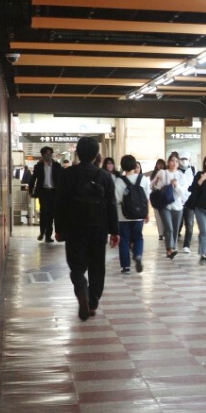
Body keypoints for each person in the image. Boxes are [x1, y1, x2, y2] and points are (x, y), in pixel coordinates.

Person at [54, 136, 119, 320]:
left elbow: (60, 204)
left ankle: (81, 288)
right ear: (96, 155)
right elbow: (112, 205)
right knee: (97, 267)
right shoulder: (105, 176)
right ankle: (93, 302)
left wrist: (58, 228)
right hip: (99, 228)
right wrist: (115, 231)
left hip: (74, 228)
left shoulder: (68, 174)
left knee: (76, 266)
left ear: (77, 153)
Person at [113, 155, 149, 274]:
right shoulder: (143, 179)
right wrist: (146, 213)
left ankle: (125, 267)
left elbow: (117, 199)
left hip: (123, 216)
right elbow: (146, 197)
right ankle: (138, 255)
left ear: (122, 167)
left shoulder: (119, 181)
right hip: (139, 215)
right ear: (135, 166)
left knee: (123, 240)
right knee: (138, 237)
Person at [152, 153, 191, 259]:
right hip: (165, 205)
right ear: (168, 162)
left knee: (175, 228)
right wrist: (158, 183)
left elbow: (183, 192)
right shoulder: (162, 172)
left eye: (176, 161)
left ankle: (172, 248)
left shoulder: (181, 176)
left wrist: (176, 185)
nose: (174, 163)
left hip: (178, 205)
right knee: (168, 227)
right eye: (172, 161)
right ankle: (170, 248)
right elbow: (154, 186)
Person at [26, 146, 64, 243]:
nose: (49, 156)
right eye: (47, 154)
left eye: (50, 154)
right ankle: (42, 232)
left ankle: (48, 235)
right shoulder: (38, 166)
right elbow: (33, 179)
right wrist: (30, 191)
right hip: (43, 193)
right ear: (43, 155)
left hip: (54, 193)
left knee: (51, 214)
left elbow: (61, 180)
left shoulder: (57, 166)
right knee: (44, 214)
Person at [176, 154, 198, 254]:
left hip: (190, 201)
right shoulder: (175, 170)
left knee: (189, 224)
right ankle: (173, 244)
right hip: (178, 201)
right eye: (182, 159)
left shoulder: (193, 170)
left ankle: (186, 245)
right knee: (177, 224)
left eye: (186, 159)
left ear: (189, 160)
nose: (184, 161)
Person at [148, 158, 168, 240]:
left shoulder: (167, 173)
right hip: (156, 196)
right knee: (157, 216)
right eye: (158, 164)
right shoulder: (153, 173)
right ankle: (160, 233)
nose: (160, 166)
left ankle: (166, 232)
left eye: (162, 164)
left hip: (164, 196)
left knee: (165, 215)